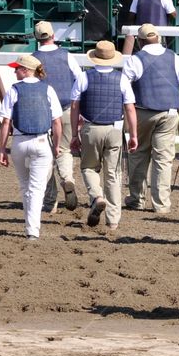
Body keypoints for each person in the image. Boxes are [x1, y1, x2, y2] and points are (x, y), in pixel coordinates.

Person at [70, 40, 139, 232]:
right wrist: (133, 134)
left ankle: (96, 196)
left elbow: (75, 106)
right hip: (115, 130)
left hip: (91, 129)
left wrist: (75, 133)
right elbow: (130, 109)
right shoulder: (122, 79)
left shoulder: (84, 77)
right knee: (113, 175)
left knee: (89, 168)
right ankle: (113, 220)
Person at [0, 55, 63, 240]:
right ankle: (32, 229)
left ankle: (30, 225)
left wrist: (2, 148)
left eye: (17, 68)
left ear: (25, 70)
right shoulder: (48, 89)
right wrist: (56, 146)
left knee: (25, 186)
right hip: (42, 142)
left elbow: (5, 122)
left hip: (19, 142)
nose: (14, 71)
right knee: (36, 188)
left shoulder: (14, 90)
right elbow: (57, 122)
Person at [122, 23, 179, 214]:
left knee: (139, 154)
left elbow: (125, 86)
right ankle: (161, 203)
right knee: (163, 159)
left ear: (140, 42)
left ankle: (136, 198)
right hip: (169, 112)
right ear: (158, 38)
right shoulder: (173, 56)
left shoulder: (136, 59)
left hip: (143, 111)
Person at [32, 21, 83, 213]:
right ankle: (68, 178)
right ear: (53, 35)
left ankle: (50, 202)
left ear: (37, 38)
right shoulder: (67, 55)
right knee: (65, 150)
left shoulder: (33, 59)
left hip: (42, 112)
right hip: (66, 108)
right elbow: (80, 79)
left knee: (44, 156)